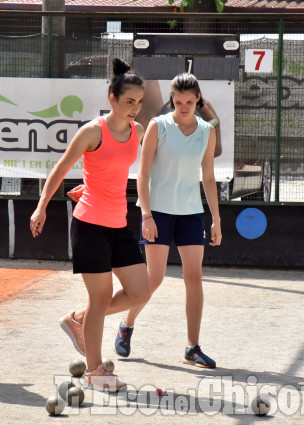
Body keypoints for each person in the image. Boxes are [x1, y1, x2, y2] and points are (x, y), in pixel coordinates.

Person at [30, 59, 152, 392]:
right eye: (129, 101)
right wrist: (41, 208)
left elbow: (113, 172)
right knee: (100, 298)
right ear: (112, 98)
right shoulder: (92, 131)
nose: (135, 108)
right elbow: (59, 170)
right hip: (90, 225)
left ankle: (79, 320)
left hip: (120, 222)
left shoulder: (138, 132)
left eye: (139, 102)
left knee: (141, 291)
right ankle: (95, 372)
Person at [113, 73, 222, 368]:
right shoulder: (157, 126)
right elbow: (143, 174)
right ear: (171, 100)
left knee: (194, 278)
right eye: (178, 101)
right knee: (154, 279)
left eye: (189, 101)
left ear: (198, 99)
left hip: (191, 214)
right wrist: (146, 215)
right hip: (157, 213)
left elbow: (209, 178)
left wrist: (216, 219)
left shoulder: (207, 131)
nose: (184, 106)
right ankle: (127, 324)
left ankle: (192, 347)